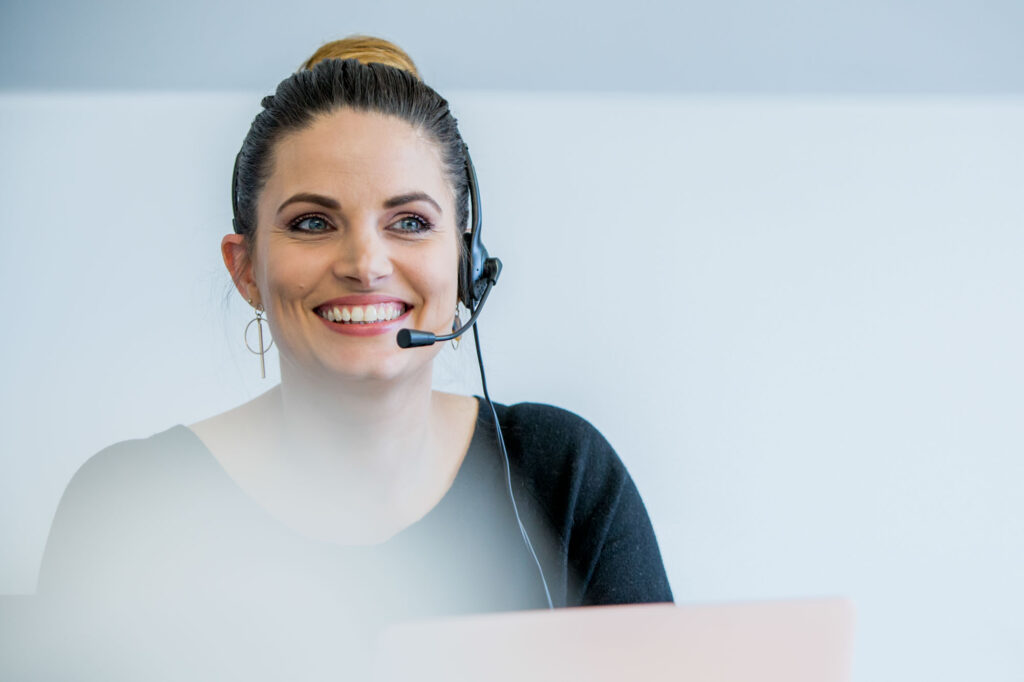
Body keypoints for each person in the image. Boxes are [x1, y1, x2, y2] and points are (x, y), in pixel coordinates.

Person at [29, 36, 672, 680]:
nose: (364, 265)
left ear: (465, 263)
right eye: (312, 222)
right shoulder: (128, 505)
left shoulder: (563, 475)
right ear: (245, 267)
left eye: (411, 222)